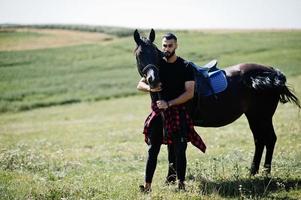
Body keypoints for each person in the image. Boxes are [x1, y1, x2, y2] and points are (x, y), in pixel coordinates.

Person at [137, 33, 206, 192]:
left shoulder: (185, 66)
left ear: (176, 46)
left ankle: (181, 185)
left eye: (170, 45)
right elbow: (140, 84)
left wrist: (169, 103)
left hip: (177, 112)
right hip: (158, 114)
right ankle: (147, 187)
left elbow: (189, 93)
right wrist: (151, 88)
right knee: (152, 149)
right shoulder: (157, 65)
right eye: (164, 46)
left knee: (180, 150)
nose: (166, 49)